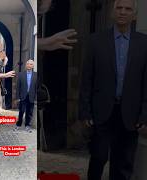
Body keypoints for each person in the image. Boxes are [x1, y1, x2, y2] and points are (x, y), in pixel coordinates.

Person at [79, 0, 147, 179]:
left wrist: (144, 115)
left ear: (134, 14)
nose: (123, 12)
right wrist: (85, 112)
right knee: (98, 157)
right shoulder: (96, 41)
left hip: (130, 114)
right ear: (112, 12)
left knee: (123, 163)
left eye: (128, 9)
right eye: (119, 8)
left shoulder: (144, 43)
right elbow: (87, 79)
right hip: (101, 111)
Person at [14, 60, 37, 133]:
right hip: (23, 96)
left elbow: (37, 87)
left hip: (32, 96)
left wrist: (36, 97)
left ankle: (27, 126)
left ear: (33, 66)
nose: (29, 65)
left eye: (31, 64)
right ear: (26, 65)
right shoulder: (21, 74)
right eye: (27, 64)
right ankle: (18, 124)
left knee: (29, 112)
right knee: (21, 111)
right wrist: (17, 97)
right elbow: (18, 87)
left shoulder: (36, 75)